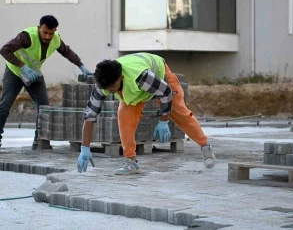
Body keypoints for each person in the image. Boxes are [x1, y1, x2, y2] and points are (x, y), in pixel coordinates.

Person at [76, 52, 216, 175]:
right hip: (136, 91)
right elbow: (90, 116)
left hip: (160, 78)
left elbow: (165, 92)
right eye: (107, 89)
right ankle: (131, 162)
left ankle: (205, 146)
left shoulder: (141, 77)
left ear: (121, 77)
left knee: (180, 112)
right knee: (124, 117)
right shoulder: (102, 84)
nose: (110, 91)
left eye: (112, 87)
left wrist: (163, 121)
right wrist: (85, 148)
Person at [0, 15, 91, 153]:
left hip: (35, 74)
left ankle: (38, 140)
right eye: (45, 32)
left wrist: (81, 65)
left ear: (55, 31)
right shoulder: (27, 36)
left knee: (43, 106)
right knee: (5, 104)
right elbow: (4, 50)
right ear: (39, 28)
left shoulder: (56, 39)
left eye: (51, 33)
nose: (48, 36)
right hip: (15, 72)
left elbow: (66, 51)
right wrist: (22, 66)